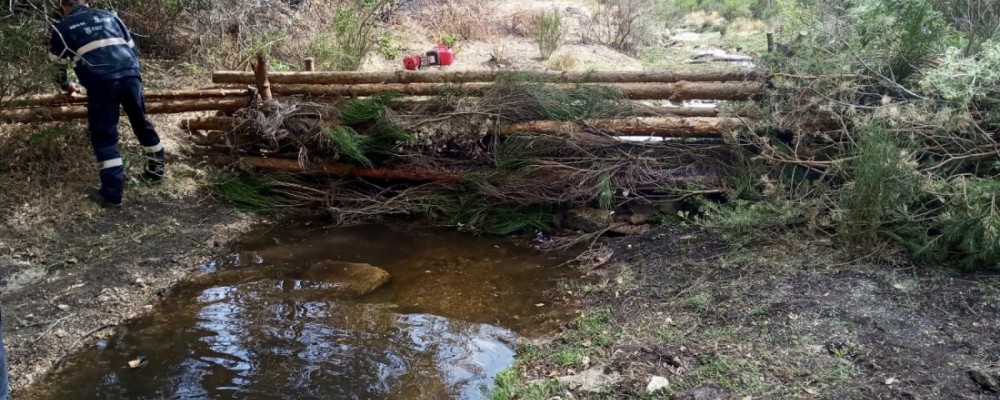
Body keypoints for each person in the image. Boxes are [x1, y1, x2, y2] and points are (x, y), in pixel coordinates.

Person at [49, 0, 165, 208]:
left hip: (101, 82)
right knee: (141, 123)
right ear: (87, 3)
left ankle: (111, 194)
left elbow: (57, 66)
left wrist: (67, 86)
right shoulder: (110, 16)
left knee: (105, 136)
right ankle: (155, 173)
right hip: (130, 76)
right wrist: (132, 76)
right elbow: (132, 50)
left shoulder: (62, 27)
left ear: (63, 7)